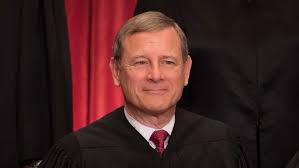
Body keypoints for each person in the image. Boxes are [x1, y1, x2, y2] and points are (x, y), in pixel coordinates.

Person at [38, 11, 250, 168]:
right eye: (140, 62)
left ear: (186, 71)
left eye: (168, 62)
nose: (155, 75)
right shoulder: (76, 154)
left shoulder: (224, 146)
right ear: (116, 71)